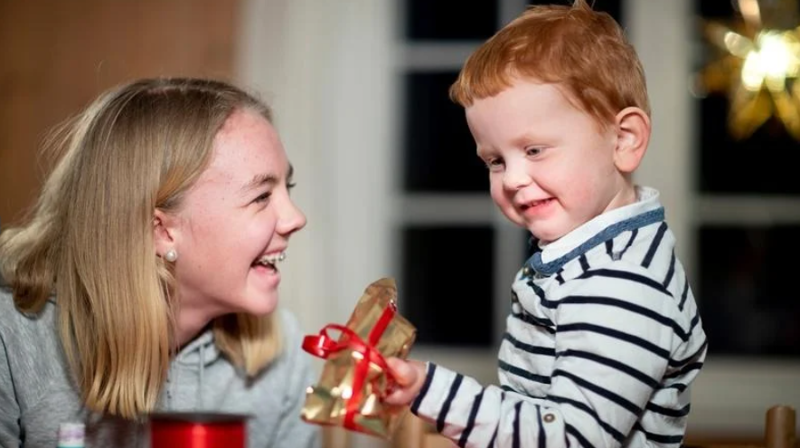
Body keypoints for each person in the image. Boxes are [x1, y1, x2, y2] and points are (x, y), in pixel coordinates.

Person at [384, 1, 708, 446]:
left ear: (624, 140)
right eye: (495, 160)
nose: (513, 179)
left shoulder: (621, 283)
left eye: (534, 150)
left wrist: (433, 391)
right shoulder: (589, 262)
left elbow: (573, 438)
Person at [0, 77, 321, 447]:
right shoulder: (12, 345)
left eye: (287, 188)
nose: (296, 217)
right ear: (162, 231)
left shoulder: (281, 350)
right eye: (262, 196)